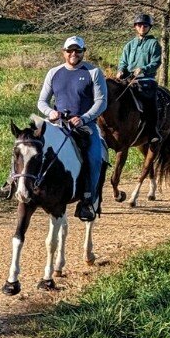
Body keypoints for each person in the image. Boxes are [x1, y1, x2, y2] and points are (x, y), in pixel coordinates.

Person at [36, 36, 107, 221]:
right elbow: (42, 101)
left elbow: (101, 102)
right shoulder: (54, 72)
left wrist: (84, 118)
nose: (73, 54)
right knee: (27, 145)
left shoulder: (93, 72)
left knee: (95, 158)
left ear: (84, 52)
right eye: (70, 51)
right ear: (63, 52)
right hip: (57, 123)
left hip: (84, 125)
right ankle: (16, 183)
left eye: (78, 51)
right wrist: (50, 112)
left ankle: (87, 200)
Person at [118, 13, 163, 129]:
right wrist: (121, 70)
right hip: (128, 79)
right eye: (139, 25)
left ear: (149, 27)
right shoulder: (129, 45)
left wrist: (143, 69)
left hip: (146, 79)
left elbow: (156, 62)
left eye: (145, 25)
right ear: (135, 27)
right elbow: (123, 61)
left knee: (149, 102)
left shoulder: (154, 44)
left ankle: (152, 130)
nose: (142, 27)